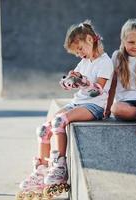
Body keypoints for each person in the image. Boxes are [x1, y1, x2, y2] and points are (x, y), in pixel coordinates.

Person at [17, 20, 113, 199]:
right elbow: (74, 79)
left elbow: (96, 91)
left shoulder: (105, 62)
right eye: (76, 52)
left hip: (96, 106)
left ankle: (60, 167)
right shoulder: (84, 62)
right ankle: (41, 172)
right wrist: (69, 80)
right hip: (78, 103)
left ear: (91, 40)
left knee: (60, 121)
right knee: (44, 130)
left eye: (80, 49)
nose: (79, 54)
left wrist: (83, 82)